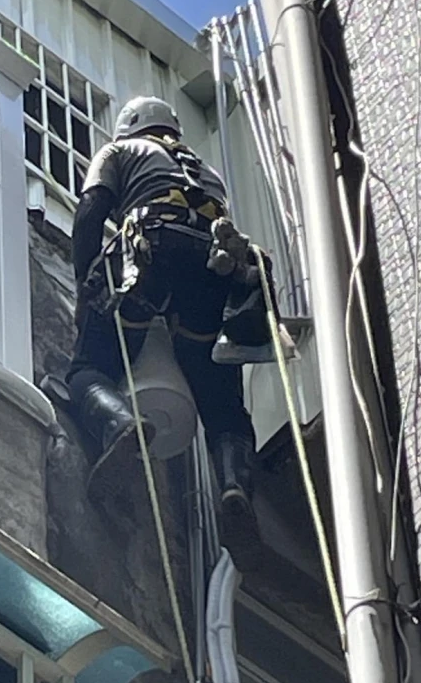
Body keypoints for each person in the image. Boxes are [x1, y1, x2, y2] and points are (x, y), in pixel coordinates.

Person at [66, 94, 278, 572]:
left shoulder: (119, 151)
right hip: (210, 268)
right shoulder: (206, 171)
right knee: (221, 401)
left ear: (129, 125)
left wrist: (86, 285)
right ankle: (234, 487)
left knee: (87, 369)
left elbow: (91, 212)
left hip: (152, 254)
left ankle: (119, 424)